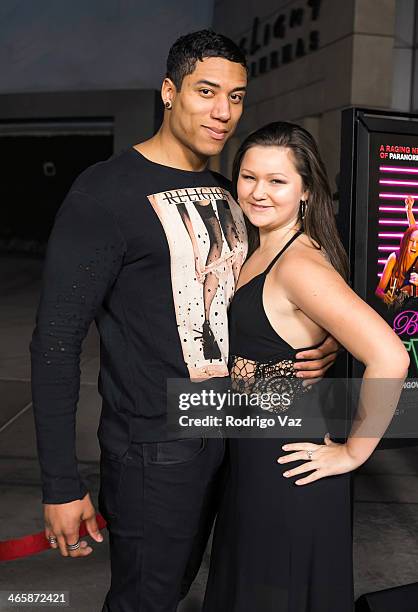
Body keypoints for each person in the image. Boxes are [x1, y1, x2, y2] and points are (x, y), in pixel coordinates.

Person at [30, 33, 339, 612]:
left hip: (238, 437)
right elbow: (54, 343)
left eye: (237, 96)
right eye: (206, 91)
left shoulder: (231, 193)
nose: (224, 112)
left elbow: (264, 301)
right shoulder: (105, 194)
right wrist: (61, 484)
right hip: (155, 450)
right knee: (146, 601)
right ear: (169, 92)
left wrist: (319, 343)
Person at [202, 122, 410, 612]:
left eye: (277, 181)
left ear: (306, 190)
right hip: (253, 450)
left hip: (287, 461)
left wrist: (355, 452)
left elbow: (391, 356)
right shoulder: (261, 245)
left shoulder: (298, 264)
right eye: (249, 177)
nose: (258, 192)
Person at [376, 197, 418, 307]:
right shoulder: (394, 258)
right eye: (411, 241)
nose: (414, 245)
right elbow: (378, 291)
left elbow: (414, 232)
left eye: (417, 243)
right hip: (397, 311)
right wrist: (384, 296)